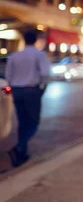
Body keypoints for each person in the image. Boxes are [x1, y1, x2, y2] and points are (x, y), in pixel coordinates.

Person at [5, 30, 50, 167]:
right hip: (31, 90)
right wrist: (43, 88)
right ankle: (19, 147)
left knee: (22, 121)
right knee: (33, 122)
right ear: (35, 39)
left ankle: (22, 152)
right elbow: (44, 73)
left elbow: (8, 76)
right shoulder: (39, 54)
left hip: (17, 90)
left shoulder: (14, 56)